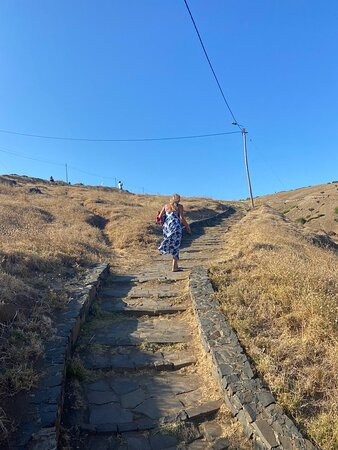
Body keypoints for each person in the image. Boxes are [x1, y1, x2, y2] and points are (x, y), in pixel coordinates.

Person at [157, 194, 191, 272]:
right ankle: (174, 266)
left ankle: (175, 265)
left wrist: (159, 217)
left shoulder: (165, 206)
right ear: (178, 200)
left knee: (171, 243)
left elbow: (159, 217)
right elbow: (182, 218)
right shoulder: (179, 207)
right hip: (176, 227)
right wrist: (187, 227)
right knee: (176, 245)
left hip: (166, 228)